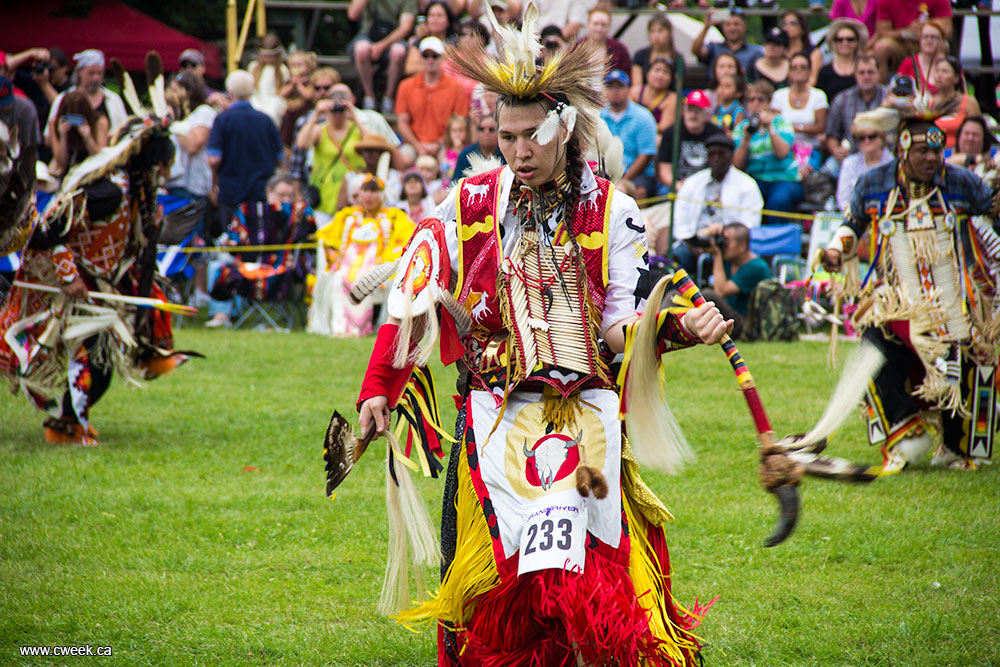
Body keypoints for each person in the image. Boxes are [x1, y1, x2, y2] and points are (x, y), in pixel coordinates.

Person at [353, 15, 736, 664]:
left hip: (582, 419)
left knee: (593, 595)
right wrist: (377, 390)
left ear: (566, 129)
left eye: (532, 135)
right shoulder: (469, 203)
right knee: (486, 594)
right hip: (491, 418)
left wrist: (675, 327)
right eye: (506, 136)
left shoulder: (611, 210)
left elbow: (620, 323)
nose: (519, 150)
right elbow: (410, 299)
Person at [820, 110, 1000, 473]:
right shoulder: (874, 183)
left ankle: (958, 446)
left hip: (954, 295)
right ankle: (903, 436)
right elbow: (853, 222)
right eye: (922, 152)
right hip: (896, 298)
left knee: (967, 350)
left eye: (937, 151)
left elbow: (990, 216)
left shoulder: (962, 182)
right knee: (874, 347)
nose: (932, 159)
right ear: (903, 151)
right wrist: (837, 250)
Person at [0, 118, 187, 446]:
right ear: (153, 163)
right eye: (165, 167)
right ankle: (67, 427)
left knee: (98, 357)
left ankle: (69, 423)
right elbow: (48, 232)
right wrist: (70, 278)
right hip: (64, 282)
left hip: (94, 283)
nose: (166, 175)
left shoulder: (131, 186)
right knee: (96, 358)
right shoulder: (108, 191)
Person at [307, 175, 414, 336]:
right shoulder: (347, 216)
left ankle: (359, 328)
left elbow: (406, 239)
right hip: (347, 264)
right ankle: (340, 327)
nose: (369, 196)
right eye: (365, 191)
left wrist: (389, 263)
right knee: (338, 279)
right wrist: (333, 254)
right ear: (359, 194)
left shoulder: (393, 217)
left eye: (374, 191)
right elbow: (327, 237)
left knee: (365, 279)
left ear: (382, 195)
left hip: (376, 266)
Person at [206, 173, 317, 327]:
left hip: (282, 271)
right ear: (268, 192)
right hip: (248, 268)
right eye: (281, 195)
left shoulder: (299, 214)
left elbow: (311, 233)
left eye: (290, 196)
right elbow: (232, 239)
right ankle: (222, 316)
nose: (286, 200)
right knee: (217, 267)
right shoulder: (249, 212)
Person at [207, 70, 284, 237]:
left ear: (230, 92)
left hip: (230, 192)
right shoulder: (265, 120)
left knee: (232, 243)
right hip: (260, 192)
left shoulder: (223, 120)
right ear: (251, 92)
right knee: (258, 242)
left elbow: (214, 159)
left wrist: (214, 184)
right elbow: (280, 158)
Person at [668, 133, 763, 266]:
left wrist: (726, 232)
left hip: (729, 244)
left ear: (731, 155)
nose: (716, 159)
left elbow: (750, 223)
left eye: (721, 154)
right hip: (694, 241)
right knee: (675, 258)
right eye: (712, 154)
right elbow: (679, 220)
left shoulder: (747, 185)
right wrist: (691, 243)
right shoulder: (693, 182)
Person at [295, 82, 366, 226]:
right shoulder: (320, 130)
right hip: (325, 195)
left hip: (352, 195)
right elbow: (301, 144)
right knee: (325, 240)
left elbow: (372, 143)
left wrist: (354, 116)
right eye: (335, 109)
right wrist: (316, 114)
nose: (337, 114)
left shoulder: (356, 130)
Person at [733, 80, 803, 223]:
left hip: (783, 178)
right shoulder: (742, 128)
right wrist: (746, 139)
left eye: (761, 100)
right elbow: (737, 165)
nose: (756, 104)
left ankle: (774, 240)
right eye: (752, 100)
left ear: (770, 102)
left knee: (779, 200)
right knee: (746, 196)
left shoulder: (782, 123)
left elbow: (782, 153)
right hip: (755, 179)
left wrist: (770, 128)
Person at [395, 37, 470, 158]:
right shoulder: (406, 86)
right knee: (404, 157)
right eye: (426, 56)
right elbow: (402, 123)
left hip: (445, 145)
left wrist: (440, 144)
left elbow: (460, 123)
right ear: (420, 57)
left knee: (450, 160)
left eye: (435, 56)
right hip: (414, 144)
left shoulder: (456, 87)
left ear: (442, 58)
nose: (430, 60)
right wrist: (417, 145)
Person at [700, 221, 770, 339]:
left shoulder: (757, 267)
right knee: (677, 294)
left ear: (742, 246)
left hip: (745, 324)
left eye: (727, 241)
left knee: (708, 295)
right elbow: (693, 240)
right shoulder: (729, 259)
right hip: (726, 317)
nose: (723, 245)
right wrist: (710, 231)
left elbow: (720, 291)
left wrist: (717, 255)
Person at [45, 50, 127, 145]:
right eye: (91, 73)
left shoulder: (113, 100)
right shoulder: (63, 99)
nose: (96, 78)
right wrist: (62, 134)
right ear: (79, 72)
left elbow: (125, 137)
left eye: (99, 73)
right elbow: (48, 139)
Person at [347, 0, 417, 113]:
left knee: (398, 52)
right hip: (367, 36)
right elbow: (352, 14)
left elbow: (405, 27)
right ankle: (369, 97)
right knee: (361, 49)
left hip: (394, 37)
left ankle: (388, 98)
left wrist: (382, 46)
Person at [601, 69, 659, 200]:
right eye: (610, 86)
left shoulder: (643, 117)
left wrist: (622, 179)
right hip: (604, 171)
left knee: (640, 191)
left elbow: (646, 155)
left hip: (636, 174)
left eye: (620, 86)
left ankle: (640, 220)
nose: (615, 91)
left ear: (629, 90)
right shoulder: (598, 115)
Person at [825, 55, 887, 171]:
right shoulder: (842, 99)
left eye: (870, 72)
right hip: (850, 157)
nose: (866, 76)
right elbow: (831, 134)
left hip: (882, 157)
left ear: (878, 73)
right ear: (855, 75)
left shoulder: (888, 98)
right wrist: (836, 150)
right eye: (862, 73)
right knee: (829, 168)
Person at [656, 89, 724, 191]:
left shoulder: (717, 135)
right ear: (684, 112)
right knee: (663, 192)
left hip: (707, 185)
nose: (693, 115)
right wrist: (677, 185)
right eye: (690, 110)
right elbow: (665, 169)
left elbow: (721, 169)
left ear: (707, 114)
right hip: (678, 184)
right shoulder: (671, 133)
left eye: (697, 111)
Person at [771, 52, 829, 171]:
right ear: (789, 72)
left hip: (810, 149)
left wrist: (792, 127)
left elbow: (820, 127)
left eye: (803, 67)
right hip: (785, 149)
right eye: (794, 67)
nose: (799, 70)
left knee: (802, 173)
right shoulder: (779, 95)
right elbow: (775, 125)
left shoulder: (818, 95)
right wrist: (804, 128)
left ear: (809, 71)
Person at [871, 0, 952, 82]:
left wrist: (926, 27)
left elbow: (948, 31)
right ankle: (881, 88)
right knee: (880, 47)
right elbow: (882, 32)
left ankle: (938, 84)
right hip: (900, 42)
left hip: (927, 39)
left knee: (941, 45)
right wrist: (907, 33)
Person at [835, 107, 894, 211]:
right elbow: (843, 200)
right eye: (861, 138)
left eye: (871, 136)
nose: (867, 141)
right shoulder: (849, 163)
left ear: (882, 138)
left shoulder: (892, 162)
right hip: (856, 215)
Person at [49, 91, 108, 178]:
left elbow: (101, 159)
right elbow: (61, 163)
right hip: (68, 172)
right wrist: (63, 137)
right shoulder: (54, 123)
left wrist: (88, 138)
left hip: (93, 172)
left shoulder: (99, 121)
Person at [692, 7, 764, 75]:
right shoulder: (714, 48)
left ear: (744, 26)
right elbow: (696, 50)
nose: (732, 28)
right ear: (723, 27)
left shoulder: (755, 52)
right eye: (728, 24)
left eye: (736, 24)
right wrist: (706, 26)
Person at [931, 57, 981, 150]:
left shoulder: (969, 103)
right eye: (937, 71)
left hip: (961, 154)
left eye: (944, 71)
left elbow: (977, 131)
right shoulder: (929, 103)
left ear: (956, 78)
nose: (939, 75)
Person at [815, 18, 868, 105]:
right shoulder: (825, 72)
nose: (845, 43)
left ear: (857, 42)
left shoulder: (866, 69)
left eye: (850, 39)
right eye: (839, 39)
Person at [404, 0, 459, 76]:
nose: (435, 19)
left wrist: (426, 66)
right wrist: (435, 68)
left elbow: (453, 68)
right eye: (431, 16)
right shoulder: (419, 42)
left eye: (439, 16)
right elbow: (410, 68)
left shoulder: (455, 42)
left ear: (448, 20)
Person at [631, 14, 682, 94]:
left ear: (669, 33)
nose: (656, 35)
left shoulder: (678, 58)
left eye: (660, 31)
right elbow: (637, 87)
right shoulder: (640, 55)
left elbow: (678, 89)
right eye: (652, 31)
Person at [248, 33, 290, 126]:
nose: (268, 59)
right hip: (257, 99)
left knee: (273, 109)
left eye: (271, 56)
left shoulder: (282, 70)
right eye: (266, 56)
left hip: (273, 100)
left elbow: (281, 92)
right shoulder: (253, 67)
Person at [279, 50, 319, 148]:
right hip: (290, 113)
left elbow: (308, 96)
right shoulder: (288, 81)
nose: (296, 68)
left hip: (303, 111)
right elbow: (281, 94)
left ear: (308, 67)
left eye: (300, 65)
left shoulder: (309, 82)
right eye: (293, 65)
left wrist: (299, 84)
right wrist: (292, 84)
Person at [896, 21, 947, 96]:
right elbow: (895, 91)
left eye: (934, 37)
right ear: (920, 40)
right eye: (925, 37)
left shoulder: (949, 65)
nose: (929, 41)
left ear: (942, 41)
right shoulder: (908, 64)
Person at [631, 57, 677, 134]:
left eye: (666, 72)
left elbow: (663, 127)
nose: (660, 76)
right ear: (648, 72)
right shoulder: (634, 92)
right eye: (657, 70)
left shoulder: (673, 98)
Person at [452, 113, 505, 181]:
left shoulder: (505, 153)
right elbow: (455, 185)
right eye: (481, 129)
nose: (486, 133)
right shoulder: (466, 154)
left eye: (491, 129)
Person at [779, 10, 822, 85]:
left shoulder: (814, 52)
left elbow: (813, 80)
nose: (787, 27)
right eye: (784, 24)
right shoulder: (780, 51)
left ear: (802, 27)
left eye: (792, 23)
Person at [584, 6, 631, 75]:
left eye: (604, 25)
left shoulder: (619, 49)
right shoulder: (575, 47)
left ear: (609, 26)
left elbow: (626, 77)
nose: (599, 29)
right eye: (595, 24)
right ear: (588, 24)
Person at [439, 114, 471, 184]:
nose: (457, 134)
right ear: (449, 133)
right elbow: (443, 174)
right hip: (447, 186)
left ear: (466, 133)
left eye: (460, 131)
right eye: (454, 131)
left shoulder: (469, 151)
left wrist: (459, 150)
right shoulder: (444, 153)